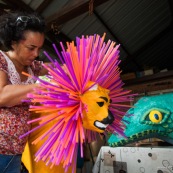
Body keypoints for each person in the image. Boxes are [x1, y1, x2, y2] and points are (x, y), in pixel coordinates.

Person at [0, 10, 48, 173]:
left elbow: (63, 70)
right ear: (14, 42)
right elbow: (2, 95)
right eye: (31, 48)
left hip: (16, 152)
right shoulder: (1, 60)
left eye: (39, 48)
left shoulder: (34, 67)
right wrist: (41, 86)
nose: (36, 54)